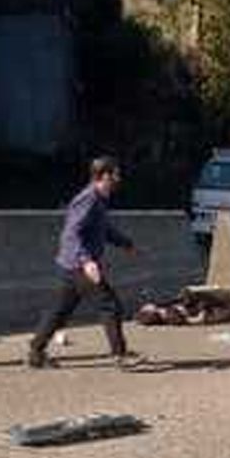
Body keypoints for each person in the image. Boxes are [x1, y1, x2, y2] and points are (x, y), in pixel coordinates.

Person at [27, 156, 142, 369]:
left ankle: (36, 352)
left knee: (59, 310)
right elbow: (71, 232)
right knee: (110, 305)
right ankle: (120, 355)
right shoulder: (88, 198)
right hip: (78, 265)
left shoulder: (98, 199)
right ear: (105, 176)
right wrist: (87, 262)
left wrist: (125, 243)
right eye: (116, 174)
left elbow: (103, 229)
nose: (119, 179)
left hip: (70, 265)